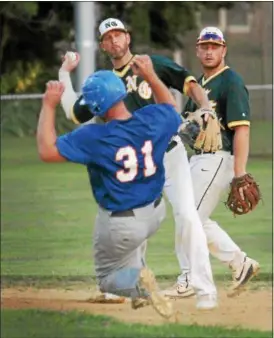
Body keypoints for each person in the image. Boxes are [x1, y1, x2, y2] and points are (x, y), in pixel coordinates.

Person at [59, 18, 218, 309]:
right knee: (131, 218)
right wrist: (63, 73)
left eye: (118, 34)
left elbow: (190, 84)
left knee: (186, 215)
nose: (114, 40)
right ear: (103, 45)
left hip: (168, 152)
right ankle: (127, 287)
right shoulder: (104, 83)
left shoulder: (151, 63)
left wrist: (206, 108)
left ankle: (205, 291)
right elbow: (73, 110)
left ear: (128, 38)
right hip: (136, 162)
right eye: (108, 37)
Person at [37, 57, 182, 318]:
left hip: (122, 225)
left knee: (107, 278)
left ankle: (138, 283)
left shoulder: (94, 137)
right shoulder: (151, 118)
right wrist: (149, 75)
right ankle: (138, 287)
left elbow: (47, 151)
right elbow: (171, 108)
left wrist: (48, 105)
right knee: (131, 249)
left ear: (96, 107)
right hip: (156, 212)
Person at [164, 27, 260, 299]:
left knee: (189, 216)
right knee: (193, 217)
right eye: (204, 46)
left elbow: (241, 129)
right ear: (197, 50)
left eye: (214, 46)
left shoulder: (231, 81)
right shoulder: (199, 87)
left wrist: (240, 174)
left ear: (223, 50)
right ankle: (240, 263)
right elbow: (184, 129)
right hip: (199, 159)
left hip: (220, 158)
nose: (209, 51)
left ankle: (188, 279)